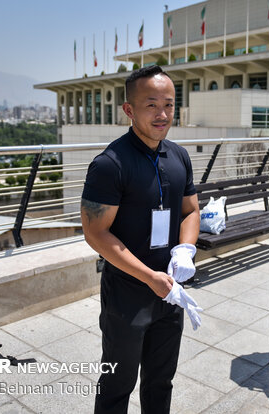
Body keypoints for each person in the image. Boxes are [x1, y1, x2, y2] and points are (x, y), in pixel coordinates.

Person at [80, 65, 202, 414]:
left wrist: (185, 250)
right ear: (129, 110)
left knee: (161, 380)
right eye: (151, 105)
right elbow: (95, 232)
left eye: (169, 103)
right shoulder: (110, 164)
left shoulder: (178, 155)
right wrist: (149, 278)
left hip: (170, 288)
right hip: (128, 292)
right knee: (117, 385)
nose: (162, 114)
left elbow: (190, 210)